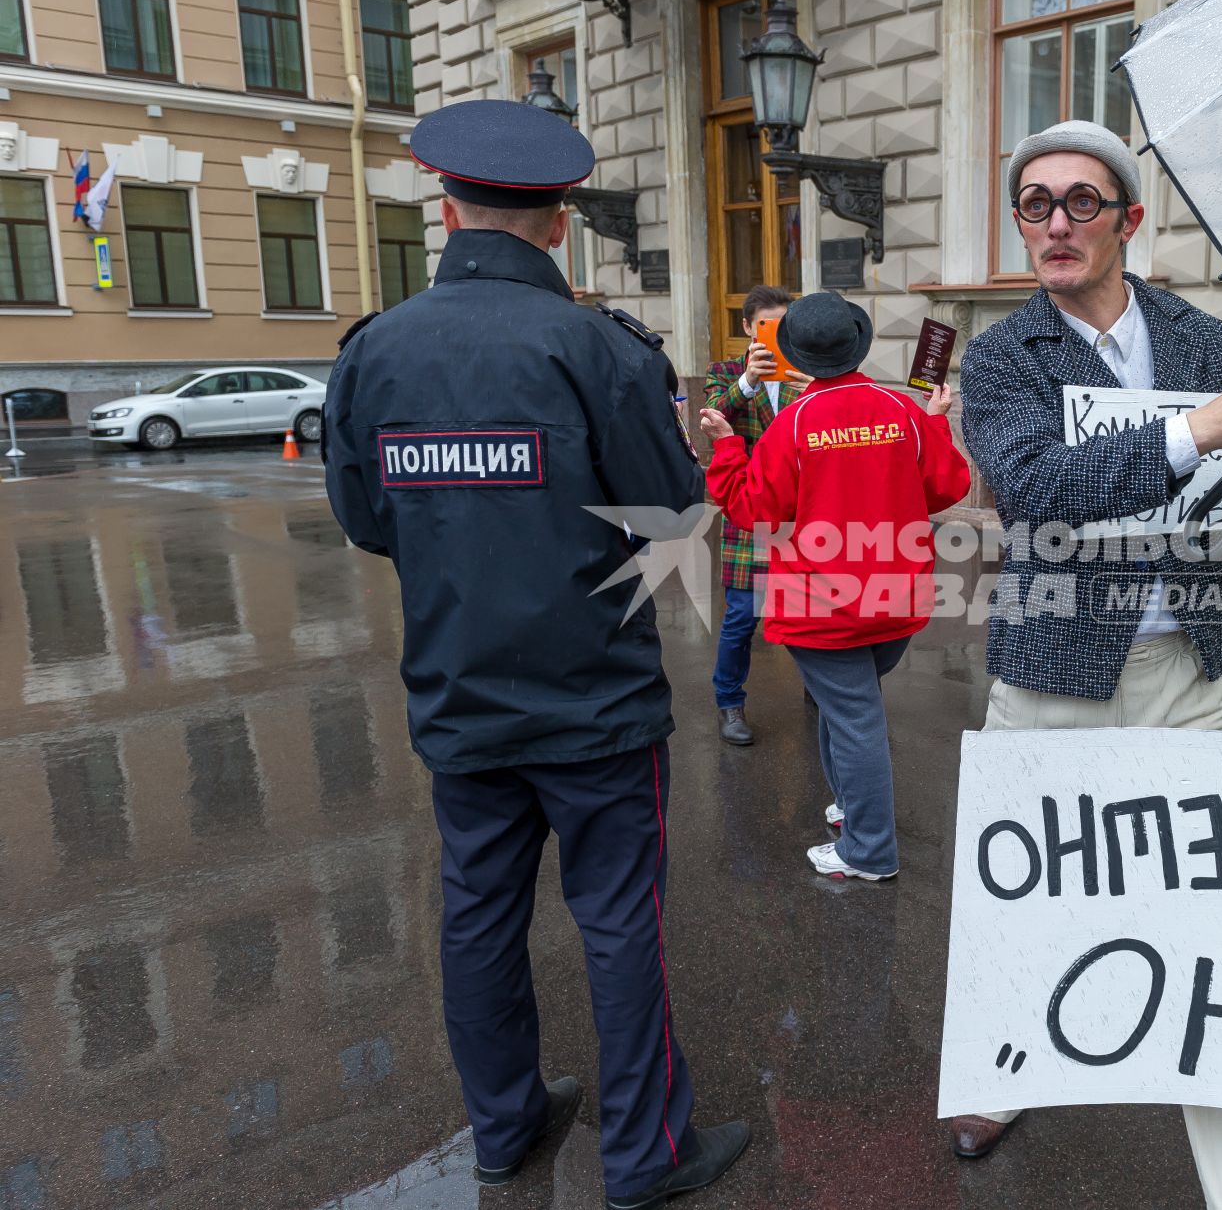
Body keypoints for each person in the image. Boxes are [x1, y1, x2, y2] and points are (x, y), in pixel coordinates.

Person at [322, 98, 749, 1210]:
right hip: (594, 704)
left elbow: (368, 520)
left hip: (459, 697)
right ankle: (646, 1153)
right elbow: (670, 516)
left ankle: (504, 1127)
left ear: (447, 205)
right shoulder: (594, 347)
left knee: (475, 913)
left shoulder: (376, 349)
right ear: (560, 223)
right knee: (618, 918)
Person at [951, 119, 1222, 1208]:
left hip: (1195, 673)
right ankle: (1003, 1067)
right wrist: (1202, 430)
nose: (1056, 221)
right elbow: (1033, 489)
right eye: (1035, 203)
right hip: (1052, 669)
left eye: (1082, 201)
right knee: (1026, 897)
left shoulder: (1203, 336)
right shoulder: (999, 353)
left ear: (1127, 219)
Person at [699, 291, 971, 880]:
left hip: (821, 602)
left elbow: (753, 508)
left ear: (796, 352)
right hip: (894, 593)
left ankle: (869, 850)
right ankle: (852, 807)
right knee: (843, 707)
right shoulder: (900, 409)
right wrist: (937, 422)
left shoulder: (795, 421)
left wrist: (724, 446)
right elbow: (946, 488)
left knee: (854, 717)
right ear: (857, 344)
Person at [703, 284, 804, 747]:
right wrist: (748, 381)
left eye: (784, 325)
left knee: (809, 609)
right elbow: (713, 415)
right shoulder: (725, 373)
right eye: (766, 325)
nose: (776, 334)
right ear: (747, 327)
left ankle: (821, 691)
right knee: (742, 617)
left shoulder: (805, 372)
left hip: (803, 515)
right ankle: (729, 703)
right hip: (749, 511)